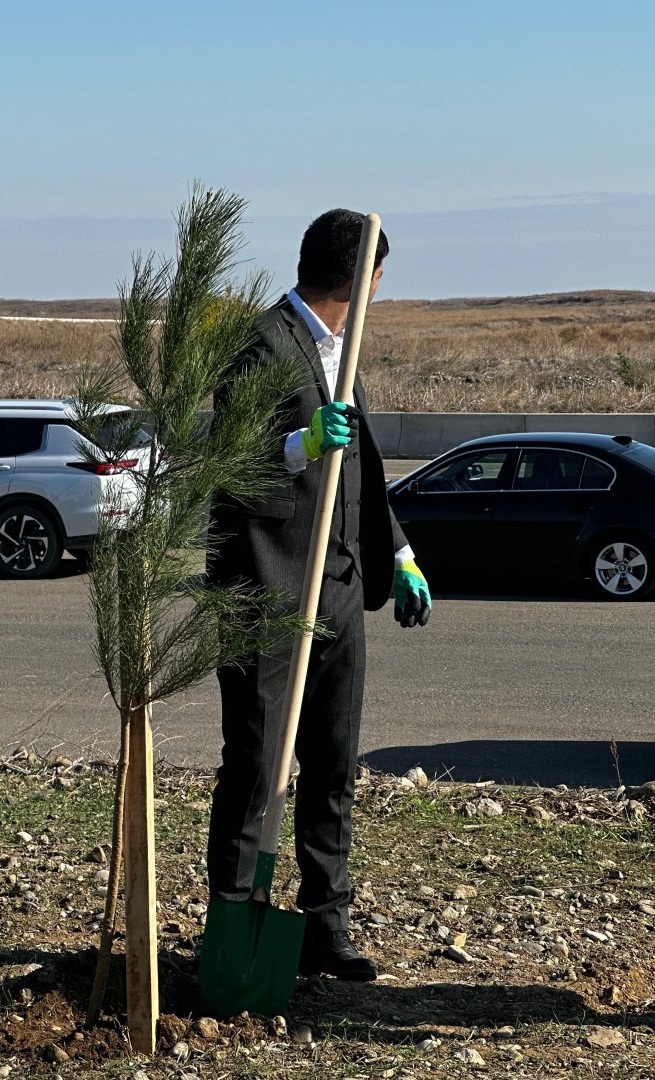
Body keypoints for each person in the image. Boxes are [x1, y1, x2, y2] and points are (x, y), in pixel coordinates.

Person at [205, 209, 432, 983]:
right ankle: (234, 925)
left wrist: (398, 553)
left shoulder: (343, 353)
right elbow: (224, 467)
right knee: (258, 766)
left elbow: (359, 467)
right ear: (362, 279)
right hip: (265, 596)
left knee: (332, 764)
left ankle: (324, 925)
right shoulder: (261, 345)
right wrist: (300, 446)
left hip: (336, 589)